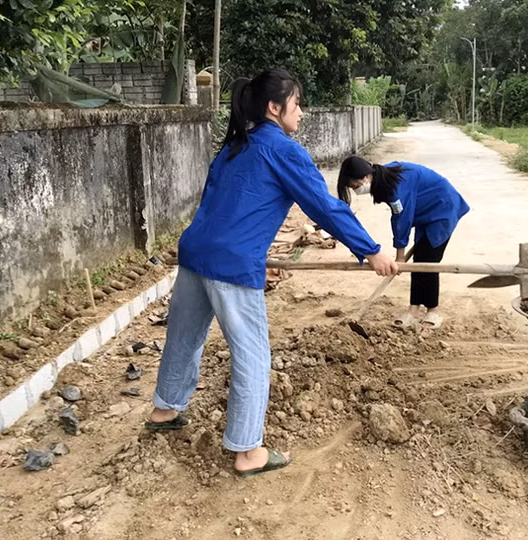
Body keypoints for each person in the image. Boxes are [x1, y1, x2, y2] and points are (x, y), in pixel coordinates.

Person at [145, 70, 398, 476]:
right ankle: (247, 452)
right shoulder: (282, 149)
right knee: (253, 354)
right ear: (274, 108)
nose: (302, 112)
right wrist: (370, 250)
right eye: (297, 104)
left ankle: (164, 410)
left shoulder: (234, 145)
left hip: (195, 252)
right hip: (232, 263)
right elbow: (323, 205)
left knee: (184, 335)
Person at [337, 156, 469, 329]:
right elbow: (398, 216)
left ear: (365, 177)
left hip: (442, 209)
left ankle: (433, 310)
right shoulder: (382, 178)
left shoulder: (395, 185)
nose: (356, 191)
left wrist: (399, 257)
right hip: (423, 212)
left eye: (355, 186)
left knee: (429, 260)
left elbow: (402, 219)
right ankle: (413, 310)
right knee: (419, 261)